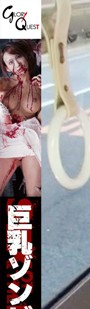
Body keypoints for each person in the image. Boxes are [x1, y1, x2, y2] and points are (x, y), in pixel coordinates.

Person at [0, 40, 41, 196]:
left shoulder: (39, 85)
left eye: (18, 57)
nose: (17, 64)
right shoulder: (3, 84)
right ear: (7, 68)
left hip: (30, 143)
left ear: (26, 56)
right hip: (5, 142)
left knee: (34, 194)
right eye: (10, 62)